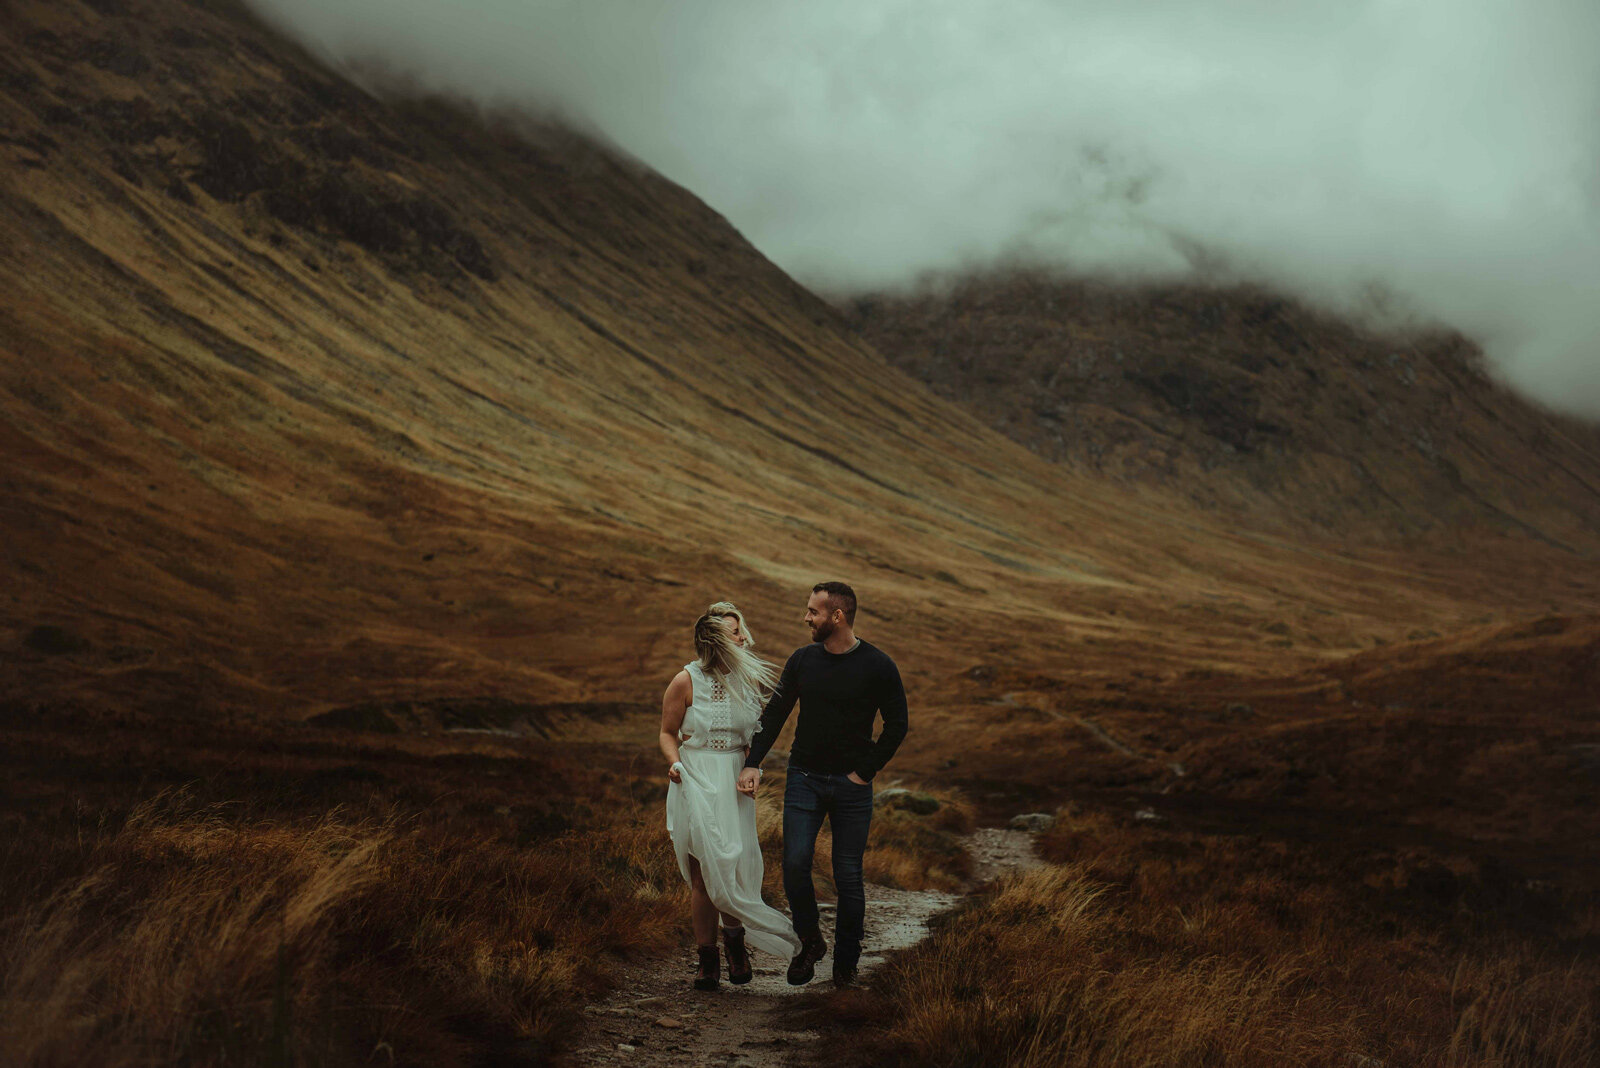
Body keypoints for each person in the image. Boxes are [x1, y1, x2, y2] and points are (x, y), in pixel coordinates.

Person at [738, 581, 909, 988]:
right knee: (795, 863)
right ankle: (809, 942)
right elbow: (776, 713)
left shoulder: (878, 665)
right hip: (805, 779)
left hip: (852, 788)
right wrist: (752, 762)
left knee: (847, 874)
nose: (806, 617)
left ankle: (845, 967)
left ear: (837, 616)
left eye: (813, 611)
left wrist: (863, 773)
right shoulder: (802, 660)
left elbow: (897, 725)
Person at [661, 602, 802, 990]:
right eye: (734, 632)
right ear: (715, 639)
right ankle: (707, 961)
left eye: (740, 630)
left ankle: (736, 948)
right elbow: (667, 732)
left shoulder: (748, 680)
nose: (743, 637)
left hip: (734, 782)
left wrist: (752, 768)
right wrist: (674, 764)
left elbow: (756, 736)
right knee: (703, 875)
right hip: (695, 778)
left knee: (734, 868)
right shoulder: (684, 680)